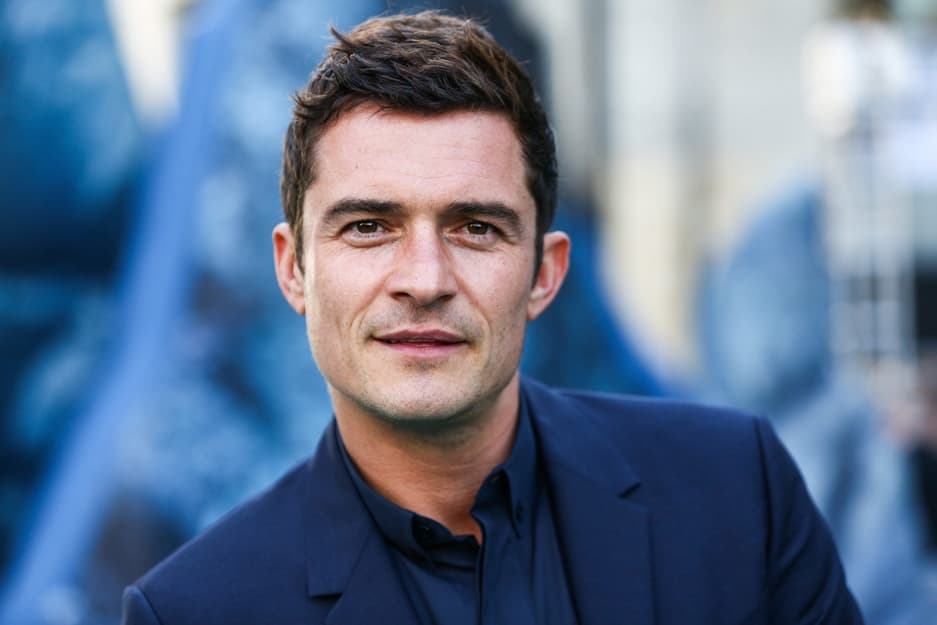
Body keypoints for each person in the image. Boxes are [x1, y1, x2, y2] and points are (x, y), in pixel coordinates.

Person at [122, 11, 864, 625]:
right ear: (293, 269)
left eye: (475, 228)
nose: (424, 281)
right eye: (369, 227)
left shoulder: (738, 495)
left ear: (546, 272)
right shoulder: (194, 611)